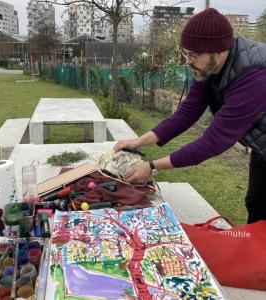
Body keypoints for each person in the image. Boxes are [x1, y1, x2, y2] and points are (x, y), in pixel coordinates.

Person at [114, 8, 266, 224]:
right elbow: (186, 114)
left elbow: (213, 141)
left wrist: (152, 166)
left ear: (220, 51)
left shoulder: (254, 76)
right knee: (257, 204)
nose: (188, 61)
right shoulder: (207, 67)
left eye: (194, 55)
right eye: (186, 53)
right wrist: (139, 141)